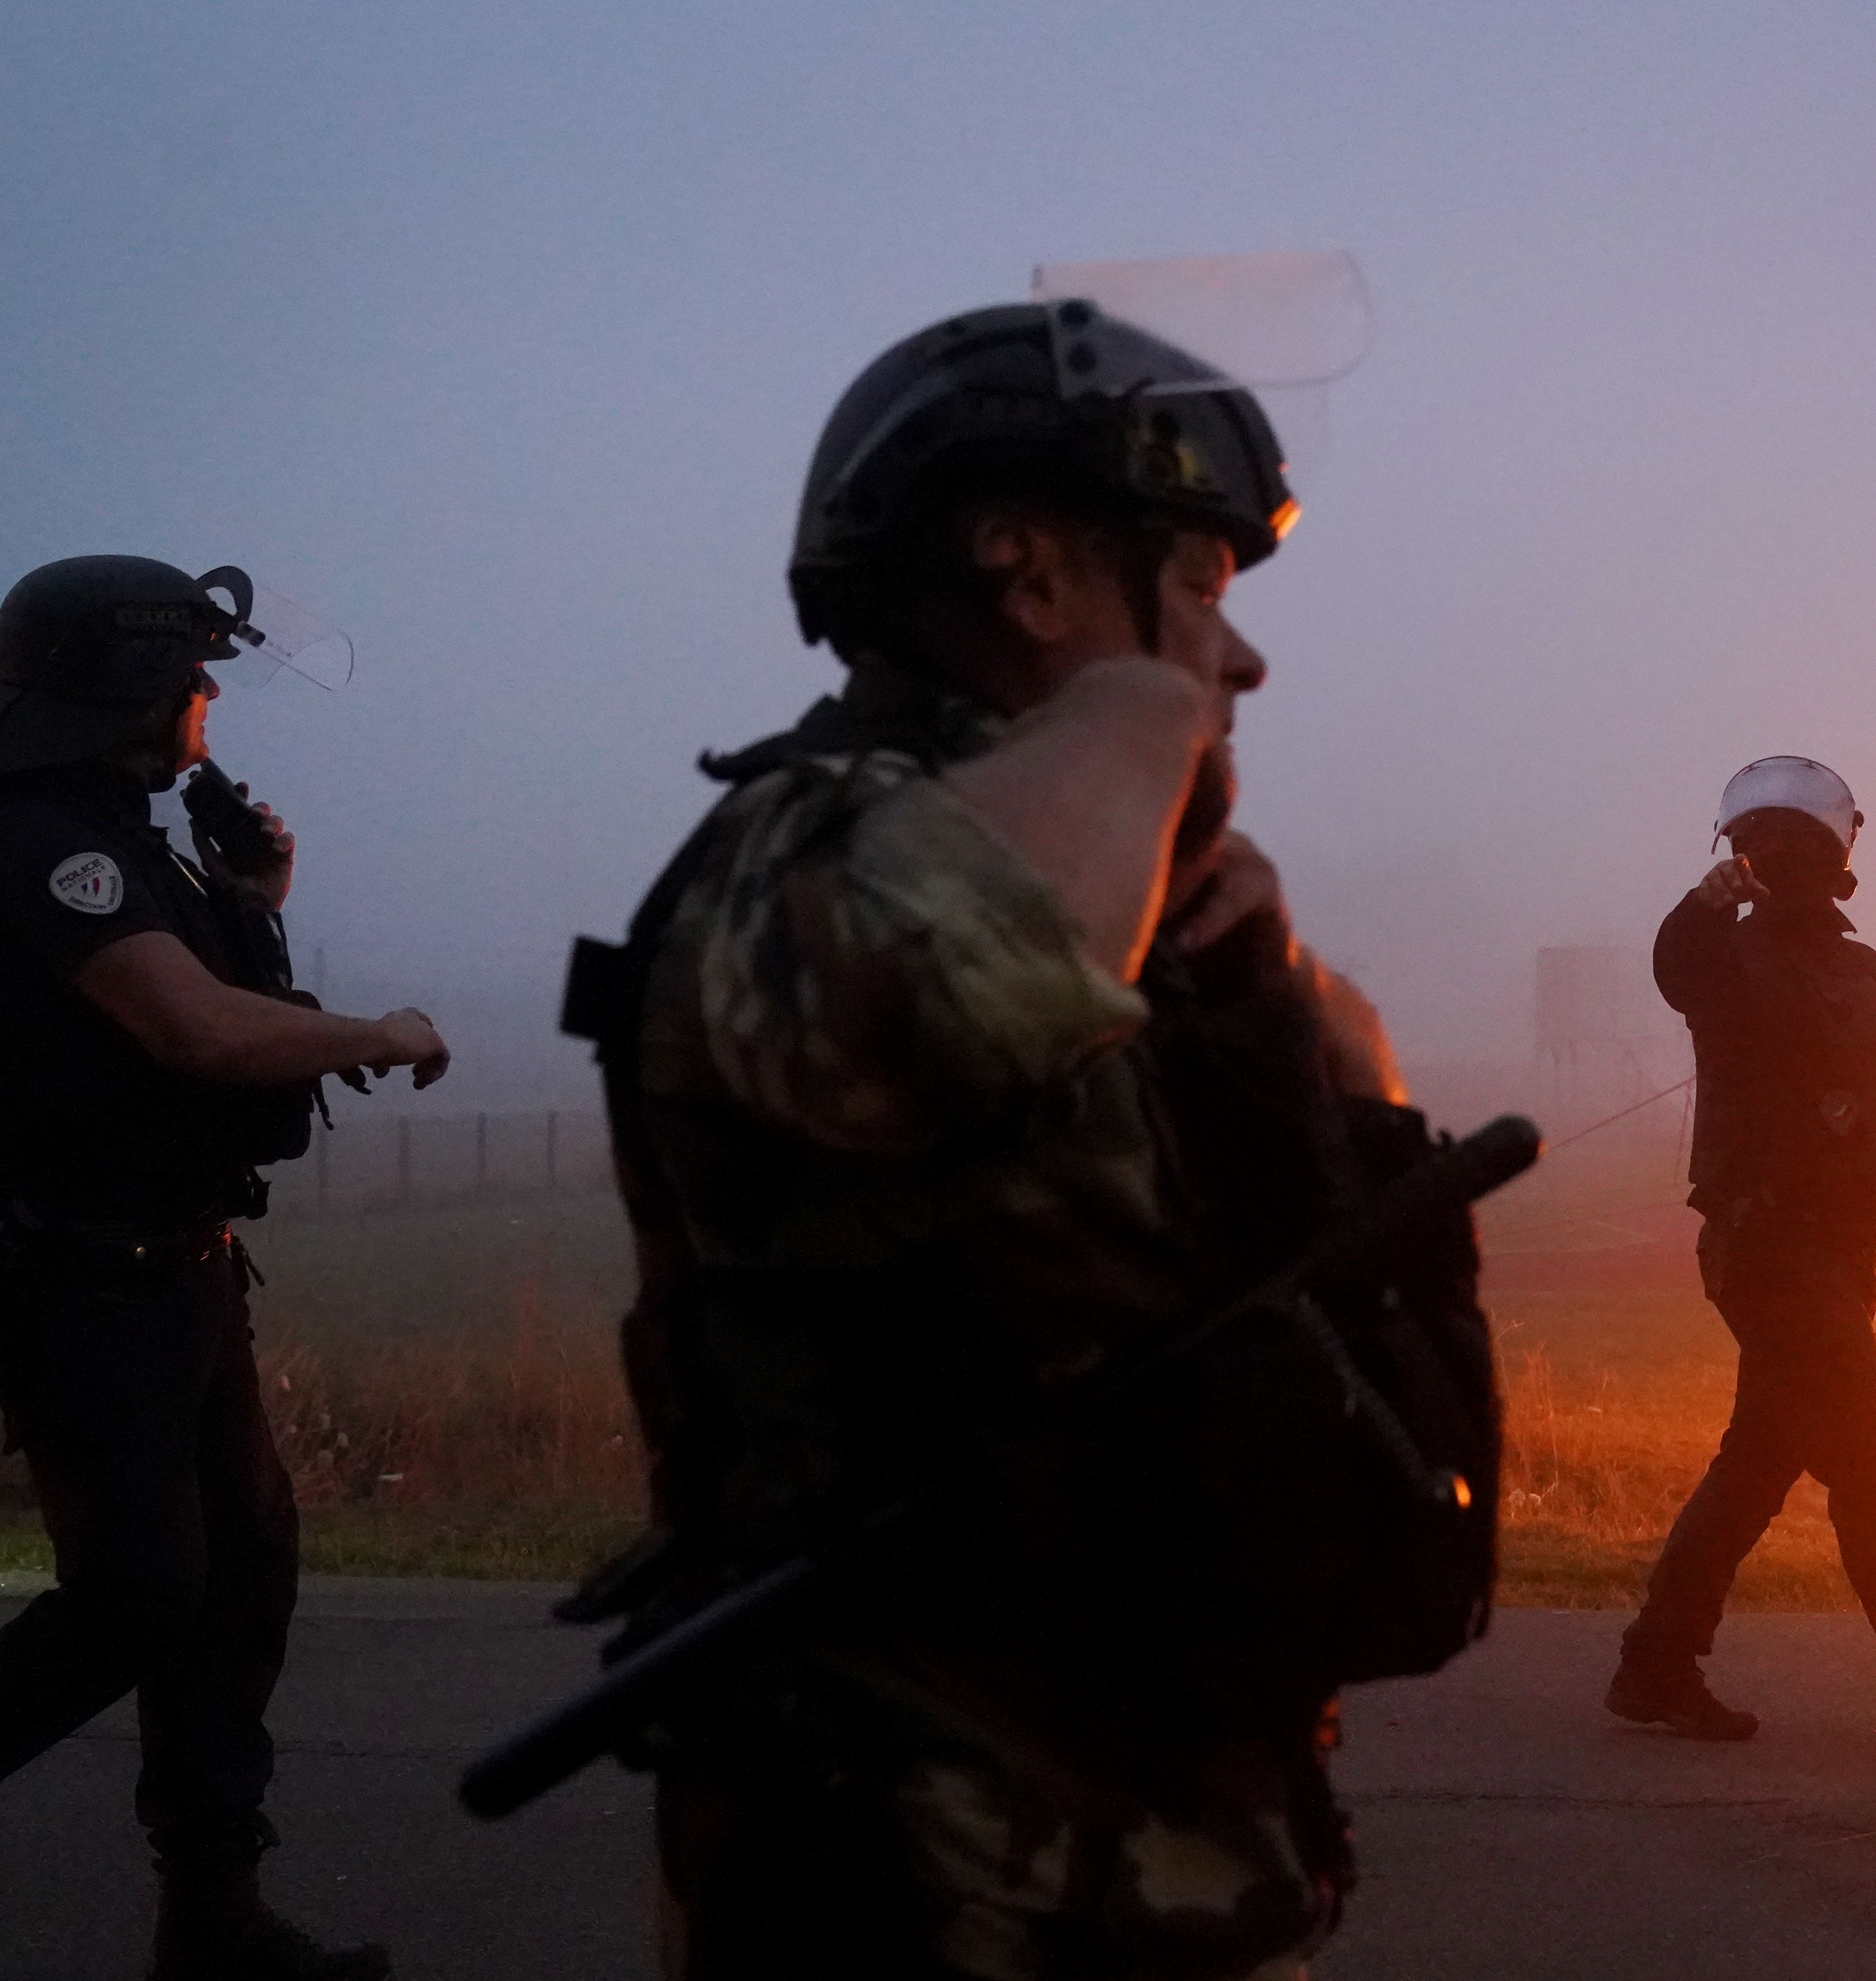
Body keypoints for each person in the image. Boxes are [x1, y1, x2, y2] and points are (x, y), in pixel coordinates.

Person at [572, 295, 1494, 1978]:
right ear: (1030, 569)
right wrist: (1143, 714)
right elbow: (941, 998)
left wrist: (1305, 1044)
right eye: (1202, 585)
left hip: (1194, 1848)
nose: (1241, 654)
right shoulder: (799, 856)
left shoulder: (1176, 951)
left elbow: (1363, 1415)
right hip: (912, 1874)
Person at [0, 556, 452, 1981]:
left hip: (176, 1270)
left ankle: (214, 1918)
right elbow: (201, 1036)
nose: (207, 698)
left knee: (240, 1576)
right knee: (133, 1595)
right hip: (72, 1287)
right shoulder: (36, 848)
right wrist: (388, 1028)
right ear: (125, 690)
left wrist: (254, 891)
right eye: (189, 675)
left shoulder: (142, 848)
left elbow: (215, 1005)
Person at [1606, 757, 1876, 1763]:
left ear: (1837, 855)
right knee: (1870, 1469)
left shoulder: (1871, 979)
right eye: (1765, 847)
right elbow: (1679, 964)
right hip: (1769, 1250)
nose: (1786, 862)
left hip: (1840, 1257)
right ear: (1740, 858)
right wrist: (1699, 907)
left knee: (1757, 1464)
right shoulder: (1729, 963)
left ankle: (1654, 1666)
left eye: (1801, 845)